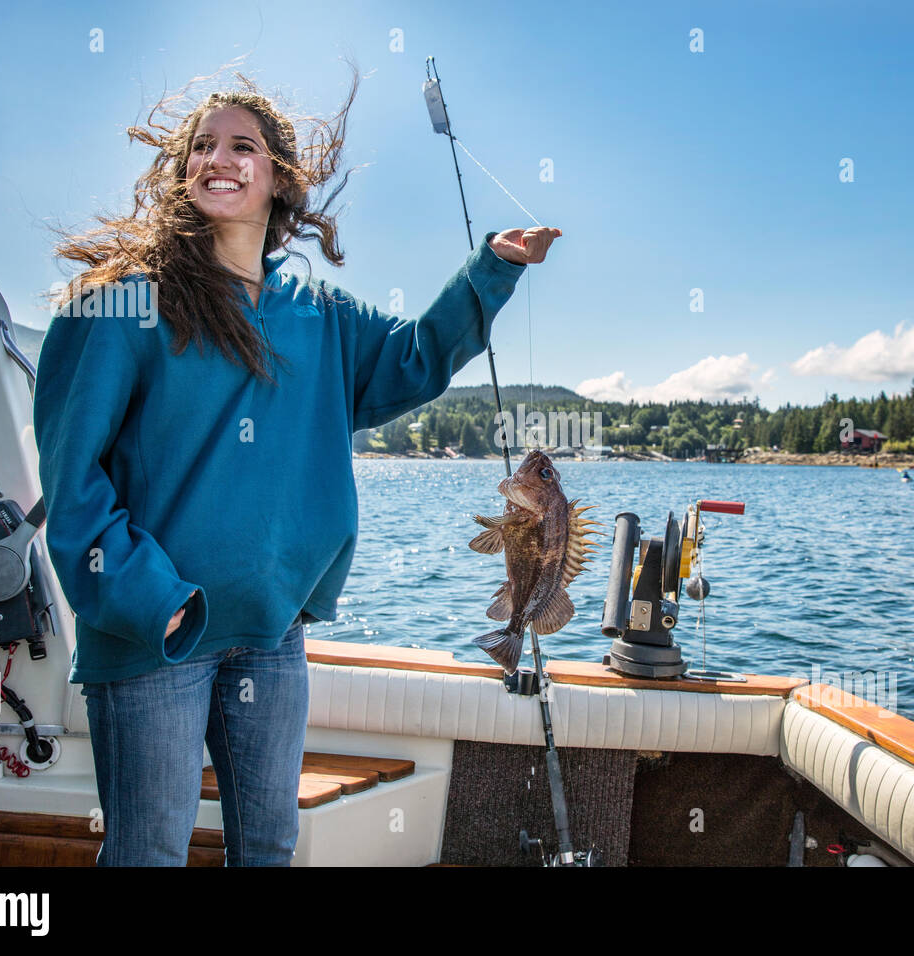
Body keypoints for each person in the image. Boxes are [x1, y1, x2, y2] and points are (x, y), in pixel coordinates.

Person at [32, 73, 560, 866]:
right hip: (156, 637)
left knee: (271, 849)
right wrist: (157, 604)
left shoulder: (323, 314)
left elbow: (413, 359)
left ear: (278, 177)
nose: (221, 158)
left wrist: (492, 270)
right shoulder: (121, 305)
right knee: (147, 855)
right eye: (203, 147)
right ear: (183, 173)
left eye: (243, 146)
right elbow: (73, 486)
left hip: (275, 633)